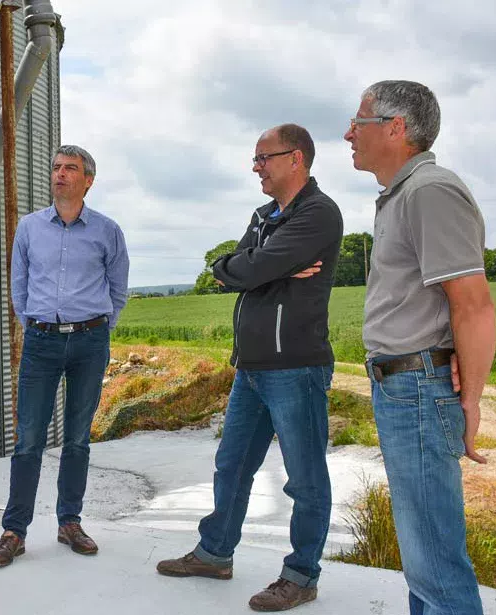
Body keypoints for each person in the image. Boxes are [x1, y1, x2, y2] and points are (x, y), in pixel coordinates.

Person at [156, 124, 343, 612]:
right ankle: (215, 553)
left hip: (296, 368)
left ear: (296, 158)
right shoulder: (264, 215)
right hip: (251, 368)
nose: (255, 167)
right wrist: (251, 266)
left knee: (304, 479)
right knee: (232, 465)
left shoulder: (319, 214)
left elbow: (252, 269)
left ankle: (301, 575)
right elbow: (234, 268)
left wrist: (258, 267)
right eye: (255, 159)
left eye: (264, 157)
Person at [344, 80, 495, 615]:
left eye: (358, 122)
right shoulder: (401, 196)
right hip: (402, 385)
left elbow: (473, 304)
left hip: (419, 386)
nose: (348, 133)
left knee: (434, 557)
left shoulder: (429, 191)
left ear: (395, 128)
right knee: (422, 553)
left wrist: (469, 401)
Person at [0, 145, 129, 567]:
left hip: (89, 342)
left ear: (88, 180)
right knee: (28, 439)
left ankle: (70, 523)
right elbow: (19, 285)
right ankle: (14, 531)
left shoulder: (107, 230)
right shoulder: (30, 228)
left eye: (71, 169)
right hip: (42, 342)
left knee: (78, 438)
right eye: (56, 167)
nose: (61, 174)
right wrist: (36, 328)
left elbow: (118, 289)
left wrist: (101, 330)